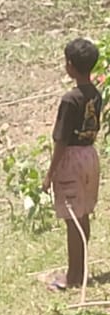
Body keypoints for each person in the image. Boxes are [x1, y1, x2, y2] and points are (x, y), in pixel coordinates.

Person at [43, 37, 103, 291]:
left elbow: (61, 141)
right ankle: (80, 269)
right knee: (83, 214)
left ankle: (73, 277)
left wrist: (49, 175)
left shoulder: (70, 100)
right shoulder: (96, 94)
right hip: (90, 156)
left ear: (70, 65)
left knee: (72, 220)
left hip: (71, 160)